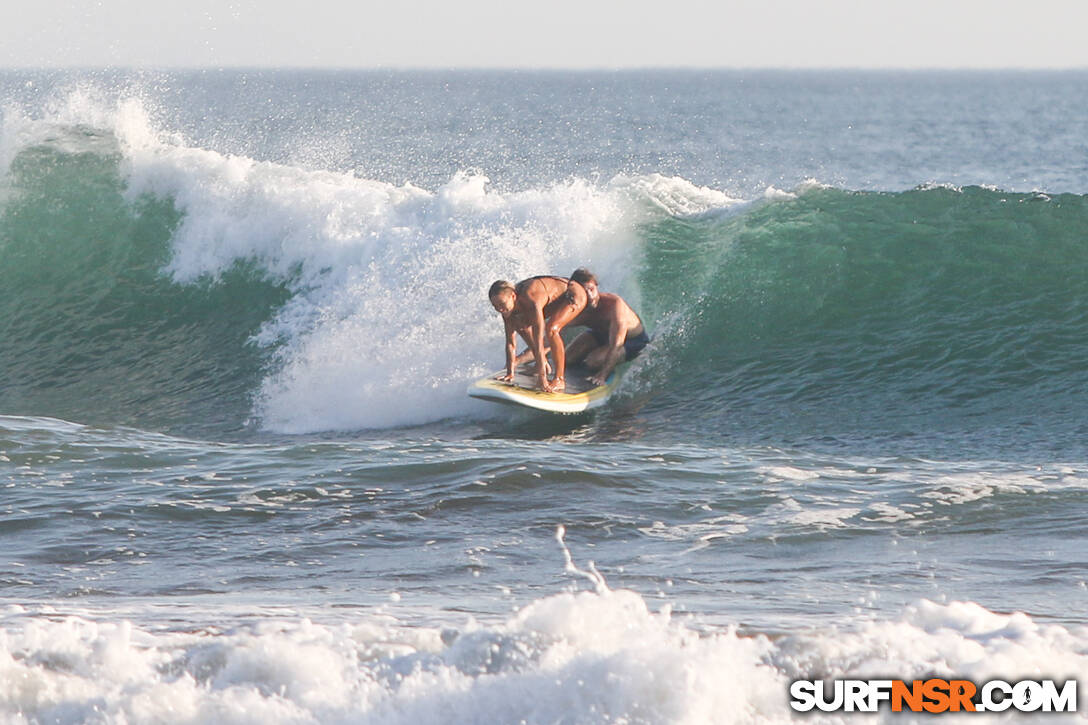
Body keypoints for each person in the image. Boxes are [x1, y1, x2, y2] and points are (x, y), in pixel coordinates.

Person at [488, 276, 587, 392]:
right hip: (552, 300)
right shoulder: (506, 309)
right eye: (495, 306)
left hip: (573, 294)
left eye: (501, 304)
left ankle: (559, 379)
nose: (500, 309)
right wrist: (510, 373)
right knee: (520, 325)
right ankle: (541, 365)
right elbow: (510, 343)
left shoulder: (531, 300)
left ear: (513, 296)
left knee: (551, 329)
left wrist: (542, 378)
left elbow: (539, 342)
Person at [564, 268, 650, 385]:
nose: (590, 295)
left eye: (591, 289)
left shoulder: (614, 305)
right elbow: (552, 331)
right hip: (601, 334)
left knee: (593, 361)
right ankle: (596, 355)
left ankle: (604, 363)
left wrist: (603, 375)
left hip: (631, 341)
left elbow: (616, 345)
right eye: (584, 291)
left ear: (596, 286)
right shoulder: (575, 306)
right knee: (567, 359)